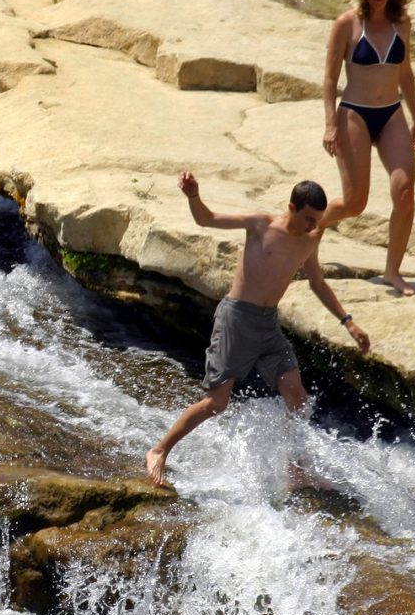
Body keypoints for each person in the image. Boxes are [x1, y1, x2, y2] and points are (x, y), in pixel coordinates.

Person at [144, 172, 371, 488]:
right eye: (308, 218)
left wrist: (348, 322)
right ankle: (159, 450)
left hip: (267, 323)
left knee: (298, 398)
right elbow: (206, 219)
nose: (313, 226)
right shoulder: (260, 224)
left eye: (318, 220)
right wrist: (194, 196)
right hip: (236, 319)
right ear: (291, 208)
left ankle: (295, 471)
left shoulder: (310, 238)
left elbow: (318, 283)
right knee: (216, 404)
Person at [321, 0, 415, 296]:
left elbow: (405, 74)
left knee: (405, 193)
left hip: (391, 114)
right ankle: (312, 226)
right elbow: (330, 77)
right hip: (355, 114)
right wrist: (330, 124)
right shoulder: (346, 24)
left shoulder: (401, 23)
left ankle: (392, 272)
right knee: (355, 204)